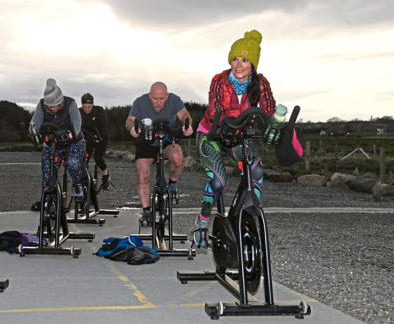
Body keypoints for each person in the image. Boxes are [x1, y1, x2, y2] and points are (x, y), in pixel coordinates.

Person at [193, 29, 277, 247]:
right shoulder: (219, 80)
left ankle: (246, 215)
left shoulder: (261, 83)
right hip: (212, 134)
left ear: (253, 63)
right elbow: (215, 109)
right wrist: (229, 121)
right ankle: (202, 222)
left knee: (256, 172)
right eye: (235, 59)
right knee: (218, 181)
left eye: (245, 60)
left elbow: (268, 110)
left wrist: (274, 125)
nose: (238, 65)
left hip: (238, 136)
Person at [125, 82, 193, 226]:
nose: (158, 102)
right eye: (155, 98)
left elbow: (185, 115)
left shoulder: (174, 100)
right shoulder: (140, 102)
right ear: (150, 96)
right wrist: (132, 129)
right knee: (142, 174)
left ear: (167, 96)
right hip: (146, 141)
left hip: (168, 139)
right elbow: (129, 121)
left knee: (178, 157)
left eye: (162, 99)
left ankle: (173, 183)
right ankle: (146, 211)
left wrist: (187, 124)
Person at [30, 78, 86, 207]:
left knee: (72, 163)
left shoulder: (70, 103)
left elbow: (77, 124)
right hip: (53, 142)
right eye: (50, 106)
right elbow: (35, 121)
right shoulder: (41, 105)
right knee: (47, 170)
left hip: (74, 141)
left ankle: (77, 186)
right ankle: (47, 199)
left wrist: (71, 134)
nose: (53, 108)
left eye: (56, 105)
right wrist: (33, 130)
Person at [79, 93, 112, 190]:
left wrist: (99, 137)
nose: (87, 109)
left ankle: (105, 175)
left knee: (98, 157)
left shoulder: (99, 111)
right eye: (84, 107)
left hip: (101, 138)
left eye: (89, 107)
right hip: (87, 138)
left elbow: (104, 127)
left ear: (92, 105)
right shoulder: (79, 112)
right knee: (84, 158)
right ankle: (85, 179)